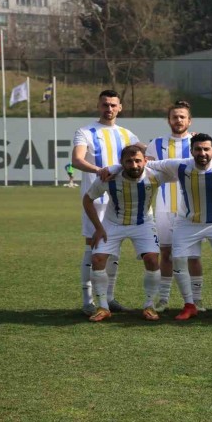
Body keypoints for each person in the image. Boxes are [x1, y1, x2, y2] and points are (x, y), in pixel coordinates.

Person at [144, 133, 212, 320]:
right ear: (192, 151)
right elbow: (148, 164)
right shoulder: (180, 165)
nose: (202, 153)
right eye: (198, 149)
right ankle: (189, 305)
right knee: (178, 259)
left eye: (206, 149)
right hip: (187, 223)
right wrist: (111, 169)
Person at [83, 145, 174, 322]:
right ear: (121, 163)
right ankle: (103, 307)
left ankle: (149, 306)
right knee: (97, 259)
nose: (134, 165)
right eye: (129, 161)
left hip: (143, 223)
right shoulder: (108, 177)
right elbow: (87, 200)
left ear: (145, 161)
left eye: (138, 161)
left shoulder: (155, 176)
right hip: (112, 223)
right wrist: (99, 227)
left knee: (152, 259)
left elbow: (183, 169)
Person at [72, 90, 142, 316]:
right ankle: (87, 301)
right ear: (98, 106)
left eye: (113, 105)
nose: (109, 108)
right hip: (96, 201)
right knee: (92, 248)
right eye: (105, 104)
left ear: (120, 107)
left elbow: (147, 156)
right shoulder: (85, 132)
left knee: (114, 250)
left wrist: (191, 136)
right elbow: (77, 159)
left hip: (121, 202)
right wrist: (99, 170)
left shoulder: (127, 135)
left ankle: (109, 298)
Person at [145, 101, 204, 313]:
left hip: (191, 208)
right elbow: (146, 169)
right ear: (168, 120)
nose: (178, 120)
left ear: (189, 121)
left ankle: (197, 300)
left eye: (182, 117)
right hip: (164, 206)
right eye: (174, 117)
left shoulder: (199, 142)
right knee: (166, 253)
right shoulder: (156, 144)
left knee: (193, 256)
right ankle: (164, 299)